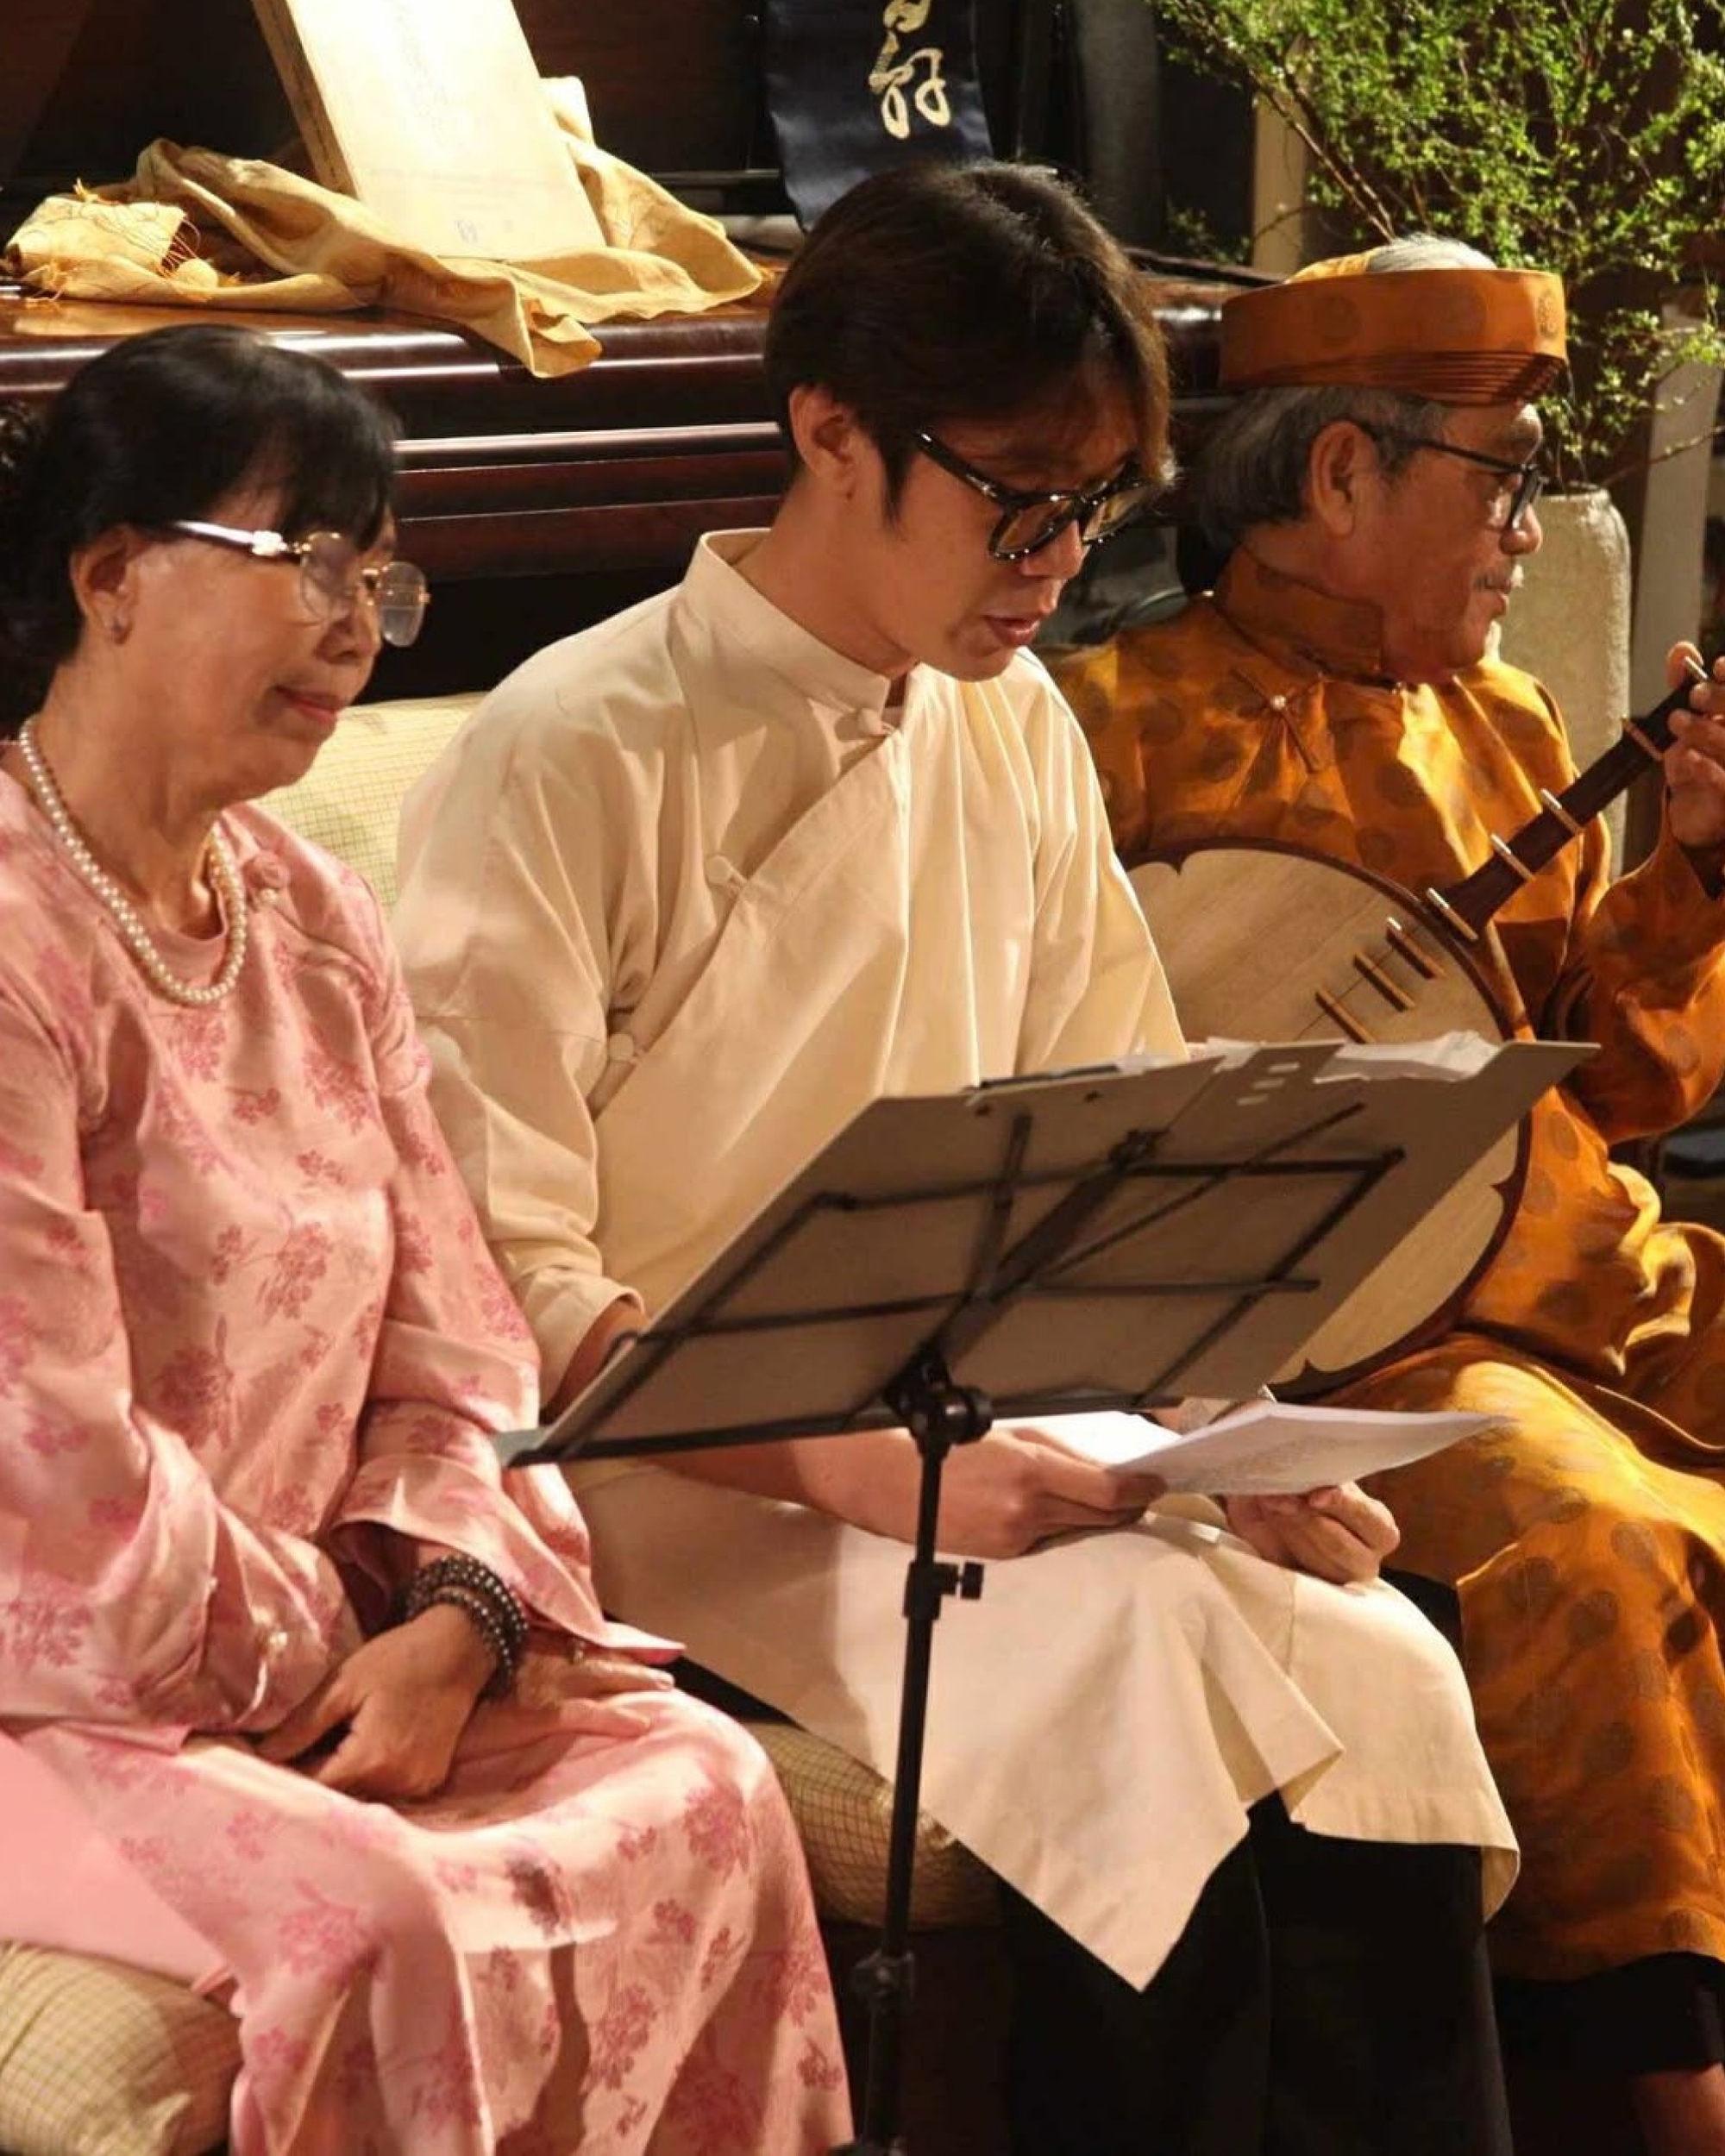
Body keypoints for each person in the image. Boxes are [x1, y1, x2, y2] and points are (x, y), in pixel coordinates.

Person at [394, 162, 1521, 2155]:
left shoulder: (1008, 727)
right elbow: (494, 1280)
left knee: (1379, 1664)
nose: (1056, 561)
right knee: (1134, 1668)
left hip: (997, 1436)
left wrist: (1226, 1430)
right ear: (833, 431)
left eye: (1091, 508)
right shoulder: (570, 745)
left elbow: (1126, 1129)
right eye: (1018, 499)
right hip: (674, 1478)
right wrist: (855, 1463)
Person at [0, 323, 850, 2156]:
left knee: (709, 1779)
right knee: (384, 1918)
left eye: (378, 583)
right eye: (308, 561)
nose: (355, 629)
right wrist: (349, 1631)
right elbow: (50, 1477)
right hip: (52, 1686)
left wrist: (458, 1619)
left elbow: (460, 1337)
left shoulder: (312, 912)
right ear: (109, 573)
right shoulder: (10, 935)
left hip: (351, 1645)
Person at [1055, 236, 1725, 2153]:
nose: (1525, 527)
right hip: (1367, 1349)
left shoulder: (1501, 720)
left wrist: (1695, 866)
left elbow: (1614, 1082)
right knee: (1593, 1545)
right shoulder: (1105, 731)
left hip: (1602, 1281)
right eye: (1502, 474)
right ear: (1341, 474)